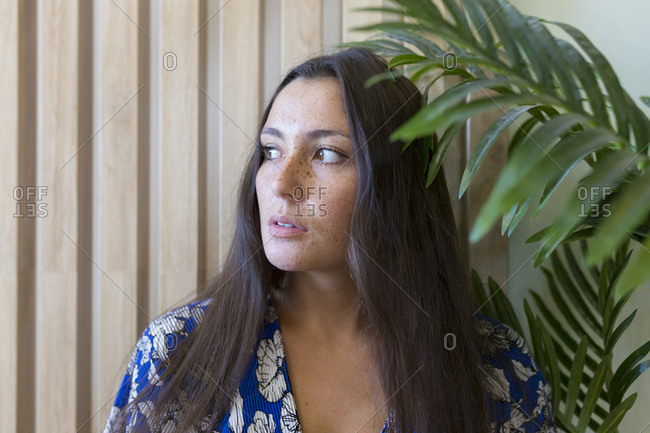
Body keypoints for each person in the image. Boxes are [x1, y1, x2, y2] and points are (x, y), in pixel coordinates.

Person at [103, 47, 555, 433]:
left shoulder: (496, 371)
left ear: (395, 182)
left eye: (326, 154)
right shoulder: (177, 355)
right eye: (271, 150)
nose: (282, 184)